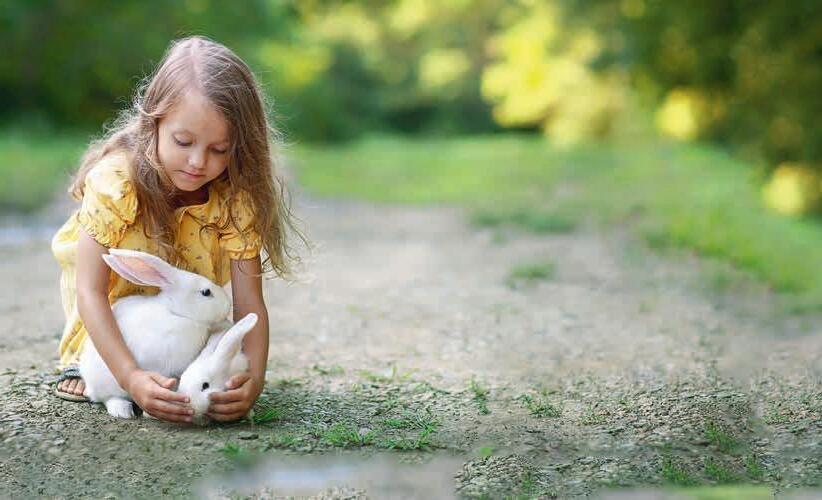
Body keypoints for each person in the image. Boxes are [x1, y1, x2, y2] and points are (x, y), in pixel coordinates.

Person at [51, 36, 304, 423]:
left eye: (219, 149)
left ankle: (173, 364)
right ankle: (90, 358)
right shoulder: (116, 183)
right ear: (154, 123)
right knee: (105, 358)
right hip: (115, 303)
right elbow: (90, 290)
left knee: (204, 354)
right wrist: (130, 377)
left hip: (181, 312)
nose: (198, 162)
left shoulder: (234, 200)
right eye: (183, 142)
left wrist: (253, 378)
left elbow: (249, 303)